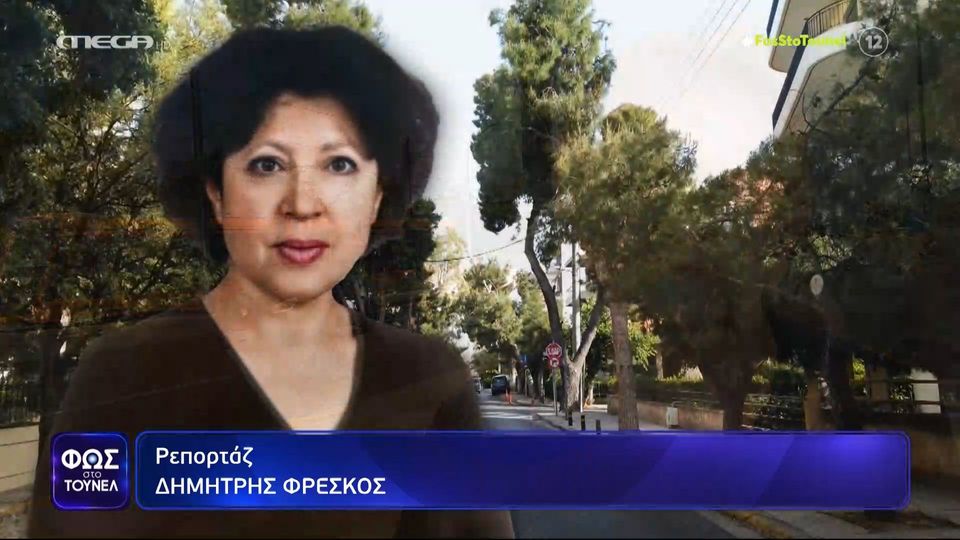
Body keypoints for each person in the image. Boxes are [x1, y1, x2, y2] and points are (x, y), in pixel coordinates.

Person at [28, 26, 514, 538]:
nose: (302, 204)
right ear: (216, 192)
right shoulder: (120, 375)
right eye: (267, 165)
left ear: (377, 196)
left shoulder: (431, 379)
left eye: (339, 165)